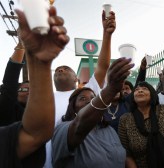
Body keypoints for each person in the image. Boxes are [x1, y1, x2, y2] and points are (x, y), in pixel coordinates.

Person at [45, 9, 117, 168]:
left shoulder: (87, 92)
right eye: (57, 70)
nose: (61, 70)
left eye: (66, 69)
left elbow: (102, 66)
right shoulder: (43, 98)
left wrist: (107, 34)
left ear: (77, 80)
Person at [0, 6, 69, 167]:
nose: (26, 91)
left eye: (31, 89)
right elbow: (9, 86)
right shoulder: (5, 110)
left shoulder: (40, 114)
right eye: (22, 89)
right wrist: (22, 46)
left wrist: (40, 64)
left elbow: (38, 131)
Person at [52, 57, 133, 168]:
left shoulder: (108, 130)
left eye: (93, 98)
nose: (90, 101)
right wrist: (111, 89)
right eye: (82, 99)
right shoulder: (63, 129)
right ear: (73, 107)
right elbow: (80, 123)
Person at [0, 39, 26, 126]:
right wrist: (21, 46)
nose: (29, 92)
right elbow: (10, 83)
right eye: (24, 89)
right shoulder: (6, 107)